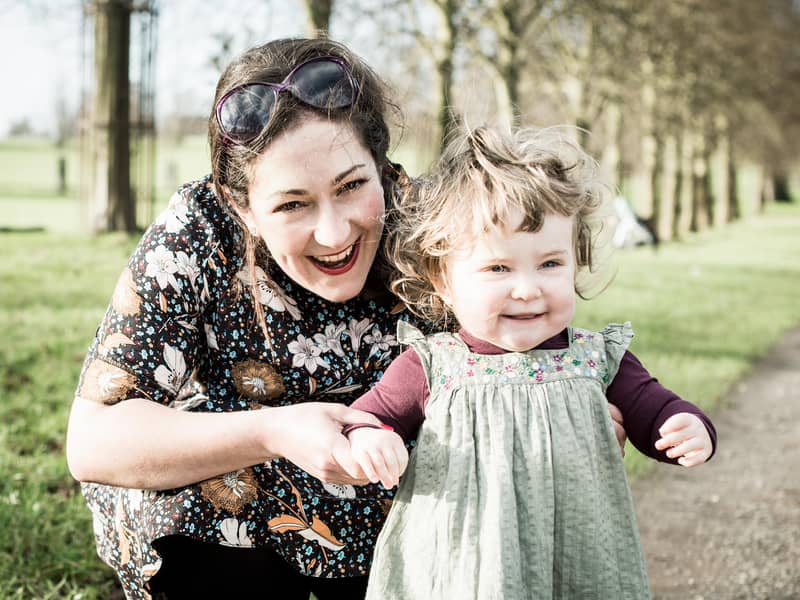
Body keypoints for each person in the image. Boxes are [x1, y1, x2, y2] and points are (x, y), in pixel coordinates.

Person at [65, 38, 625, 600]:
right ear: (242, 207)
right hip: (230, 510)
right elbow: (93, 442)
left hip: (389, 503)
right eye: (292, 204)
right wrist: (274, 432)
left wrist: (566, 408)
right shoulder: (198, 233)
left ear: (381, 167)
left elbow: (521, 336)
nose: (334, 234)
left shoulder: (438, 227)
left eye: (352, 186)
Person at [346, 125, 717, 599]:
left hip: (578, 555)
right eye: (498, 268)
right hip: (467, 561)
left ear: (575, 261)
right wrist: (370, 438)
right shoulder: (434, 365)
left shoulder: (596, 359)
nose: (527, 288)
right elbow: (368, 416)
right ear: (443, 280)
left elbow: (652, 407)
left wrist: (684, 424)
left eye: (550, 264)